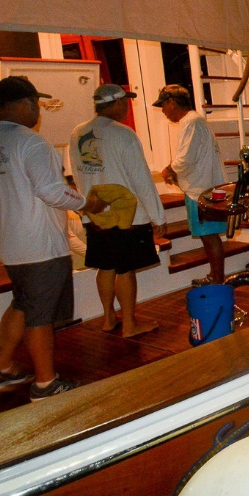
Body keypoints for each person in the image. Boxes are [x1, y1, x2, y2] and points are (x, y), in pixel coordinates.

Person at [0, 76, 103, 401]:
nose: (38, 111)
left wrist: (8, 195)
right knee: (40, 314)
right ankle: (45, 383)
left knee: (23, 304)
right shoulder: (33, 142)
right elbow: (52, 191)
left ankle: (3, 368)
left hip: (6, 245)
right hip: (39, 246)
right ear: (26, 104)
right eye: (37, 104)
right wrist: (88, 204)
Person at [70, 84, 167, 337]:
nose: (127, 106)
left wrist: (85, 212)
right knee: (125, 269)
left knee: (105, 266)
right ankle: (130, 325)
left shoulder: (77, 133)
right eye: (126, 101)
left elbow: (78, 177)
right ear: (116, 103)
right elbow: (141, 178)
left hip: (96, 213)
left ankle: (108, 318)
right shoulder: (123, 134)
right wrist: (157, 216)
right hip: (127, 215)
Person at [153, 84, 227, 285]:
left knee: (209, 237)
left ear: (172, 102)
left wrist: (169, 170)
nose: (163, 111)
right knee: (209, 236)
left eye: (163, 106)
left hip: (200, 192)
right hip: (204, 188)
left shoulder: (190, 122)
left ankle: (217, 280)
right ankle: (215, 277)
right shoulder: (195, 121)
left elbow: (185, 159)